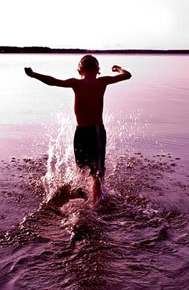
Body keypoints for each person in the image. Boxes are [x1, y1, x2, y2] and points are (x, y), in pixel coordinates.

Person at [25, 55, 132, 205]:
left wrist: (34, 75)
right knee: (95, 171)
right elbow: (127, 75)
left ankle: (83, 199)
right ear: (97, 69)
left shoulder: (76, 83)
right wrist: (117, 69)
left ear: (79, 70)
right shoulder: (102, 81)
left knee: (82, 169)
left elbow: (53, 82)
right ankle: (97, 202)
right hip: (96, 131)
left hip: (80, 132)